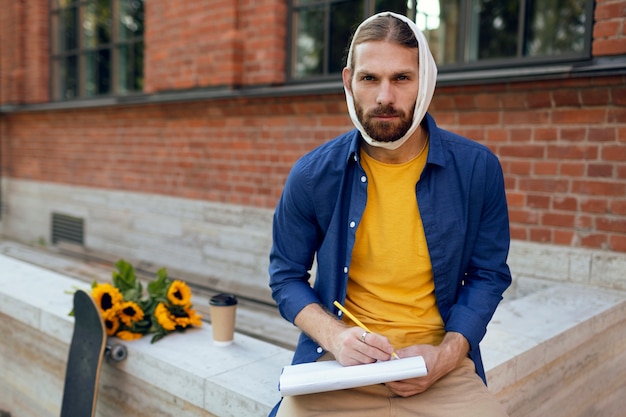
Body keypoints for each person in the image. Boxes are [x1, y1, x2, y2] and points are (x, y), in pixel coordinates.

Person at [268, 11, 511, 417]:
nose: (384, 97)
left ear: (425, 81)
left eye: (401, 78)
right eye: (369, 79)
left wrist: (446, 356)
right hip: (340, 367)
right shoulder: (312, 175)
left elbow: (488, 275)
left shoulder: (477, 169)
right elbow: (285, 276)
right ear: (349, 82)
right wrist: (336, 337)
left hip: (438, 366)